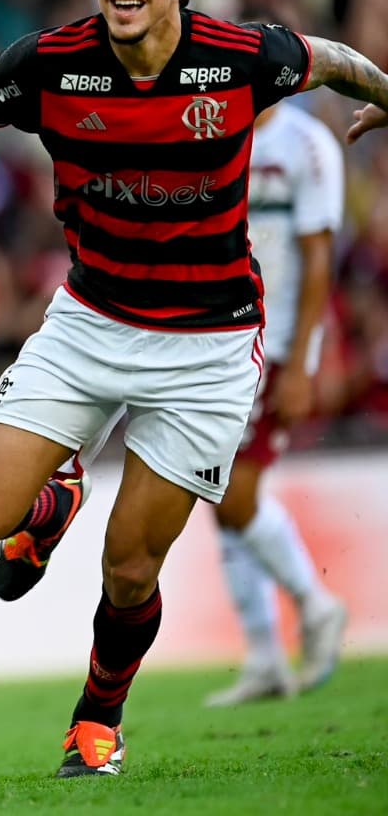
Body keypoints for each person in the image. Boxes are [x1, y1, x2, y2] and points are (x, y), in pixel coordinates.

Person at [0, 0, 388, 778]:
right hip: (89, 324)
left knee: (131, 569)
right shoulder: (50, 64)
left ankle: (97, 723)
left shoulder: (240, 58)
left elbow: (329, 58)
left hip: (208, 350)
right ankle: (52, 501)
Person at [203, 101, 348, 706]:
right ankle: (264, 655)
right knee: (217, 495)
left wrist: (304, 359)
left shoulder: (307, 144)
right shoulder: (208, 130)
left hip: (276, 344)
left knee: (235, 495)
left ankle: (317, 605)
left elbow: (319, 257)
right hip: (215, 344)